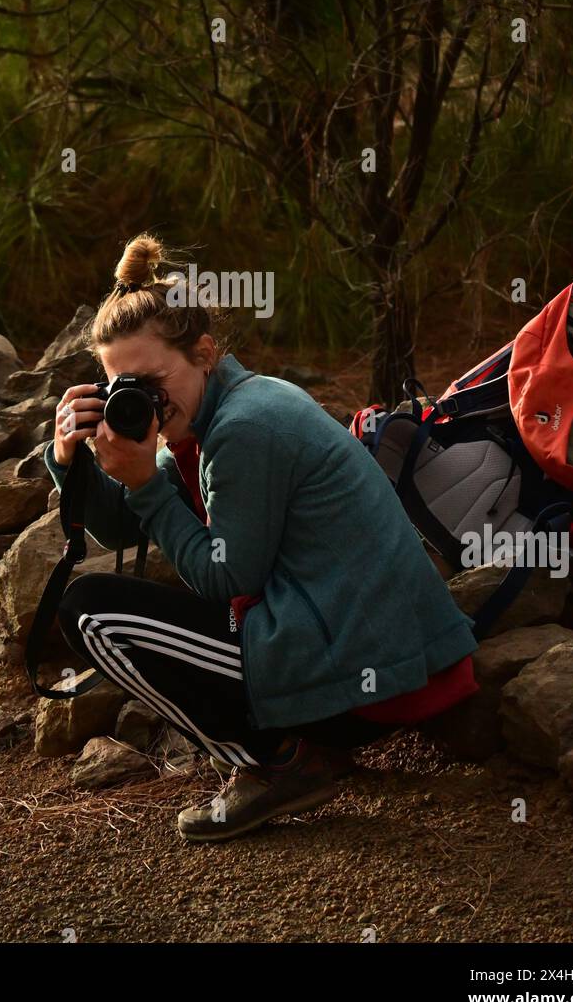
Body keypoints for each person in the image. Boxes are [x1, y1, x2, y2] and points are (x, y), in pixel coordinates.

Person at [44, 233, 481, 843]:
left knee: (90, 613)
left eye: (151, 380)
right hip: (368, 656)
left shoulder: (246, 427)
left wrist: (145, 483)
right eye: (121, 386)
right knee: (107, 600)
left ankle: (277, 762)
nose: (140, 400)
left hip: (362, 680)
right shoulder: (218, 408)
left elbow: (229, 579)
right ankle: (289, 743)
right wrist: (70, 460)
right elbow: (118, 525)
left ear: (204, 351)